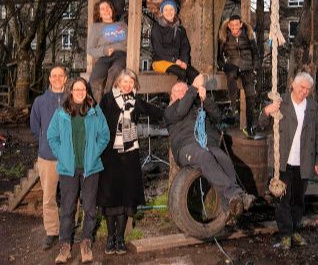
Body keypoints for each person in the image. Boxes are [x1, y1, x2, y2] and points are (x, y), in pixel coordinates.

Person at [164, 74, 255, 220]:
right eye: (179, 91)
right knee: (203, 156)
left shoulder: (198, 106)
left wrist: (205, 99)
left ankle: (231, 205)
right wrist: (192, 87)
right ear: (172, 97)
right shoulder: (170, 111)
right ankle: (236, 194)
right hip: (187, 147)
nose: (183, 93)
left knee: (223, 158)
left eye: (185, 90)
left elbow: (218, 117)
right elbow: (181, 110)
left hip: (207, 144)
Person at [97, 69, 163, 255]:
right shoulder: (108, 100)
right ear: (118, 82)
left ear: (134, 84)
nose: (127, 85)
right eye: (124, 82)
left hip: (130, 156)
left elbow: (155, 112)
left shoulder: (137, 101)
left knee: (126, 196)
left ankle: (120, 238)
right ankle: (110, 239)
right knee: (111, 197)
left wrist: (178, 108)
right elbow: (96, 121)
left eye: (130, 82)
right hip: (110, 154)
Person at [260, 72, 318, 250]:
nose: (304, 91)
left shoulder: (313, 108)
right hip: (283, 161)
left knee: (298, 200)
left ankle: (295, 229)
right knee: (283, 200)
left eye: (308, 89)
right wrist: (267, 111)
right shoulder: (281, 103)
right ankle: (285, 235)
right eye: (301, 87)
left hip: (304, 161)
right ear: (293, 85)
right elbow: (260, 123)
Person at [47, 77, 110, 264]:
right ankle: (65, 245)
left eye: (83, 89)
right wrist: (63, 155)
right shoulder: (61, 113)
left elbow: (104, 135)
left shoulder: (95, 111)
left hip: (90, 168)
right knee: (67, 208)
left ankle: (86, 242)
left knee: (90, 207)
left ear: (87, 91)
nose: (80, 92)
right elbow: (52, 136)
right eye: (76, 89)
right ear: (71, 91)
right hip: (68, 169)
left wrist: (94, 152)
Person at [30, 65, 67, 250]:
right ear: (50, 79)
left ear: (66, 79)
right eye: (54, 76)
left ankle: (69, 229)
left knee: (71, 195)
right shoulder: (40, 102)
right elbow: (35, 127)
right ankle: (52, 231)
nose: (57, 78)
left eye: (61, 75)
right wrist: (46, 140)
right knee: (48, 197)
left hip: (70, 157)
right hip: (47, 157)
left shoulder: (72, 98)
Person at [218, 15, 260, 138]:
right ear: (229, 26)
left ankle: (250, 125)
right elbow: (219, 54)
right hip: (232, 63)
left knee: (250, 96)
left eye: (237, 25)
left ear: (241, 24)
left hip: (247, 66)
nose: (235, 28)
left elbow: (255, 53)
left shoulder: (248, 35)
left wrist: (255, 68)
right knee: (231, 75)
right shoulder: (225, 36)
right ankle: (233, 108)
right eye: (232, 26)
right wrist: (221, 65)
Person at [151, 0, 199, 84]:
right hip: (160, 60)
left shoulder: (180, 29)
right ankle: (179, 96)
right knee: (182, 73)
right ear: (162, 12)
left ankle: (192, 96)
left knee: (194, 74)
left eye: (171, 9)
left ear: (175, 11)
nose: (169, 12)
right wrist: (174, 60)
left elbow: (185, 47)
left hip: (177, 61)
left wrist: (184, 60)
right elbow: (158, 49)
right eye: (166, 10)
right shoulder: (156, 27)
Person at [87, 0, 128, 103]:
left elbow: (130, 42)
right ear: (99, 14)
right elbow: (90, 49)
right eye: (102, 9)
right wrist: (104, 51)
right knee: (94, 80)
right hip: (104, 56)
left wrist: (121, 48)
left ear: (112, 10)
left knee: (115, 70)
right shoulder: (96, 27)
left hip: (120, 55)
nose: (106, 10)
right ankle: (95, 108)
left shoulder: (122, 25)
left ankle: (107, 101)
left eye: (108, 7)